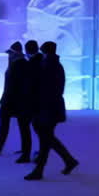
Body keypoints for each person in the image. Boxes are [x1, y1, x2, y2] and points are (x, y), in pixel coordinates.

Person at [25, 41, 79, 181]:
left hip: (47, 108)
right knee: (47, 137)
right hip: (51, 107)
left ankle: (40, 170)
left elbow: (45, 89)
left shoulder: (48, 66)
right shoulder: (54, 65)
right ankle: (68, 160)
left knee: (45, 139)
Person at [0, 42, 34, 161]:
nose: (8, 55)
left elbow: (13, 85)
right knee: (20, 126)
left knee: (16, 126)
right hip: (14, 100)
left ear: (14, 53)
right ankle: (21, 150)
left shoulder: (18, 65)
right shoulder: (18, 63)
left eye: (10, 53)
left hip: (14, 100)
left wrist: (5, 100)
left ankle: (1, 148)